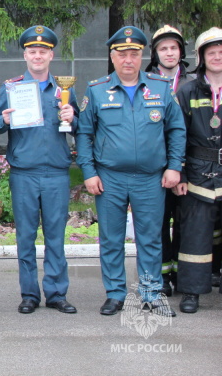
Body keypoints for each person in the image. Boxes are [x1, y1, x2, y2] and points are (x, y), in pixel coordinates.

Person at [76, 26, 185, 317]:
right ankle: (115, 294)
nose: (128, 60)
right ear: (112, 57)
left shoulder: (161, 87)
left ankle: (151, 294)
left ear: (142, 56)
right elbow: (84, 134)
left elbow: (176, 129)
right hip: (109, 177)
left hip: (150, 178)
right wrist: (88, 172)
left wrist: (175, 167)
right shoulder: (97, 90)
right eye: (122, 54)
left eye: (134, 54)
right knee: (111, 239)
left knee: (149, 238)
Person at [0, 26, 78, 314]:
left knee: (56, 236)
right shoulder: (12, 87)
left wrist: (73, 117)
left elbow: (81, 126)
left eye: (43, 51)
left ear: (51, 55)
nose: (37, 55)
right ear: (25, 54)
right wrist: (3, 120)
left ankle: (56, 293)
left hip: (55, 173)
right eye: (32, 51)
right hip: (24, 173)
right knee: (25, 237)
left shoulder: (65, 89)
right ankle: (29, 293)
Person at [173, 27, 222, 313]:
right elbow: (177, 134)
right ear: (202, 57)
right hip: (198, 171)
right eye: (211, 52)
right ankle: (191, 292)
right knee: (195, 233)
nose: (217, 57)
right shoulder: (188, 90)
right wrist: (178, 173)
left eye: (221, 52)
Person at [144, 25, 192, 297]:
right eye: (163, 48)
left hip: (187, 165)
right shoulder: (146, 81)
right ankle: (162, 276)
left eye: (174, 48)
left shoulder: (194, 81)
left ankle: (183, 274)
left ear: (181, 52)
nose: (169, 53)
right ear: (155, 53)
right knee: (158, 223)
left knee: (185, 223)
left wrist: (181, 169)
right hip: (154, 165)